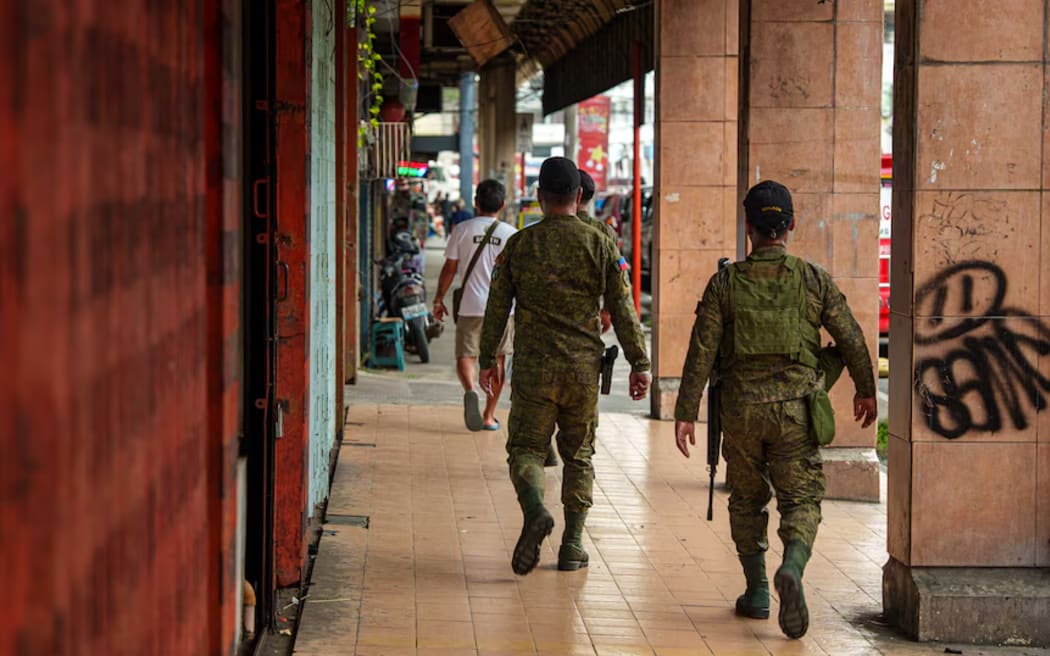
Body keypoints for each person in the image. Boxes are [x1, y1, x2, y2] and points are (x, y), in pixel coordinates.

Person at [673, 180, 877, 639]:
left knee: (747, 501)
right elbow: (850, 335)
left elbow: (701, 350)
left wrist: (685, 412)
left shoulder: (725, 281)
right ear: (790, 226)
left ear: (749, 227)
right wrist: (865, 390)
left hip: (742, 411)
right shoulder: (811, 278)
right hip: (795, 412)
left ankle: (759, 592)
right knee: (801, 498)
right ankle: (793, 564)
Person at [477, 157, 651, 576]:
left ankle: (535, 508)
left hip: (534, 368)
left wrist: (488, 360)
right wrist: (639, 362)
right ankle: (572, 546)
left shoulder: (519, 244)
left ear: (539, 198)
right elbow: (623, 309)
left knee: (525, 450)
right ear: (577, 196)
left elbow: (497, 308)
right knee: (579, 457)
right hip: (582, 370)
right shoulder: (600, 243)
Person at [433, 180, 517, 431]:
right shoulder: (511, 234)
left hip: (470, 305)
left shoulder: (462, 229)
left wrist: (439, 298)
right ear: (502, 205)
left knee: (466, 355)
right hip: (503, 310)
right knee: (498, 360)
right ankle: (488, 415)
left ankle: (471, 389)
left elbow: (450, 268)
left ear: (476, 203)